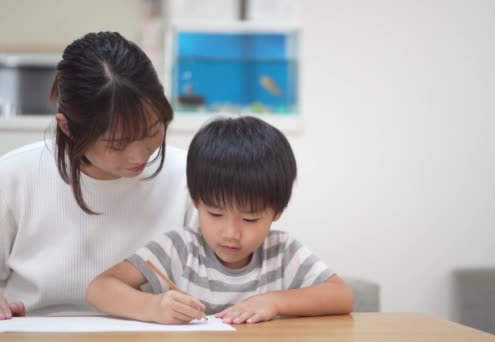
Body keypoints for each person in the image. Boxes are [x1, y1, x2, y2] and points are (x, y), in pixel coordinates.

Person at [0, 32, 196, 319]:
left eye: (153, 132)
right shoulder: (15, 175)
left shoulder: (189, 176)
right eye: (117, 144)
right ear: (67, 128)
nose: (139, 156)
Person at [86, 116, 354, 325]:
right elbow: (100, 288)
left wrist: (273, 302)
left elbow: (342, 296)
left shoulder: (281, 252)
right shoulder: (179, 248)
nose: (231, 233)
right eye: (215, 214)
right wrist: (153, 307)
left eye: (250, 218)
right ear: (196, 200)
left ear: (276, 212)